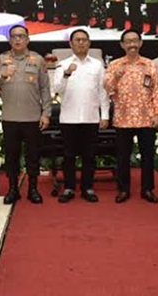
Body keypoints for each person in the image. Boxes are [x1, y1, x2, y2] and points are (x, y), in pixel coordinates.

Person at [0, 25, 52, 204]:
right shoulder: (1, 60)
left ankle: (33, 188)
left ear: (28, 39)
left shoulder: (38, 60)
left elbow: (45, 89)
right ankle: (13, 188)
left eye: (21, 36)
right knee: (11, 157)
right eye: (14, 37)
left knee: (33, 156)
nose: (18, 40)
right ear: (9, 40)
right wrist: (2, 74)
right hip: (10, 118)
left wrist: (46, 113)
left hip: (32, 118)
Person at [104, 29, 158, 203]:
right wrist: (116, 76)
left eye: (135, 40)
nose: (132, 44)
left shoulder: (150, 64)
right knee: (123, 156)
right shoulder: (114, 65)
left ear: (141, 43)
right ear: (122, 45)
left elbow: (156, 90)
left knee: (148, 156)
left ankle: (147, 189)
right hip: (123, 118)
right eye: (128, 41)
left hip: (146, 117)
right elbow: (107, 88)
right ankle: (123, 190)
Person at [53, 29, 109, 203]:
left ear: (89, 43)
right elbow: (56, 89)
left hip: (91, 118)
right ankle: (69, 187)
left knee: (89, 156)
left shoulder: (97, 65)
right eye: (77, 40)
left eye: (84, 40)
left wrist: (105, 115)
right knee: (69, 155)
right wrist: (67, 74)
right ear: (70, 44)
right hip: (69, 118)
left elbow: (102, 92)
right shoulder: (62, 65)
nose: (81, 43)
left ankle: (88, 187)